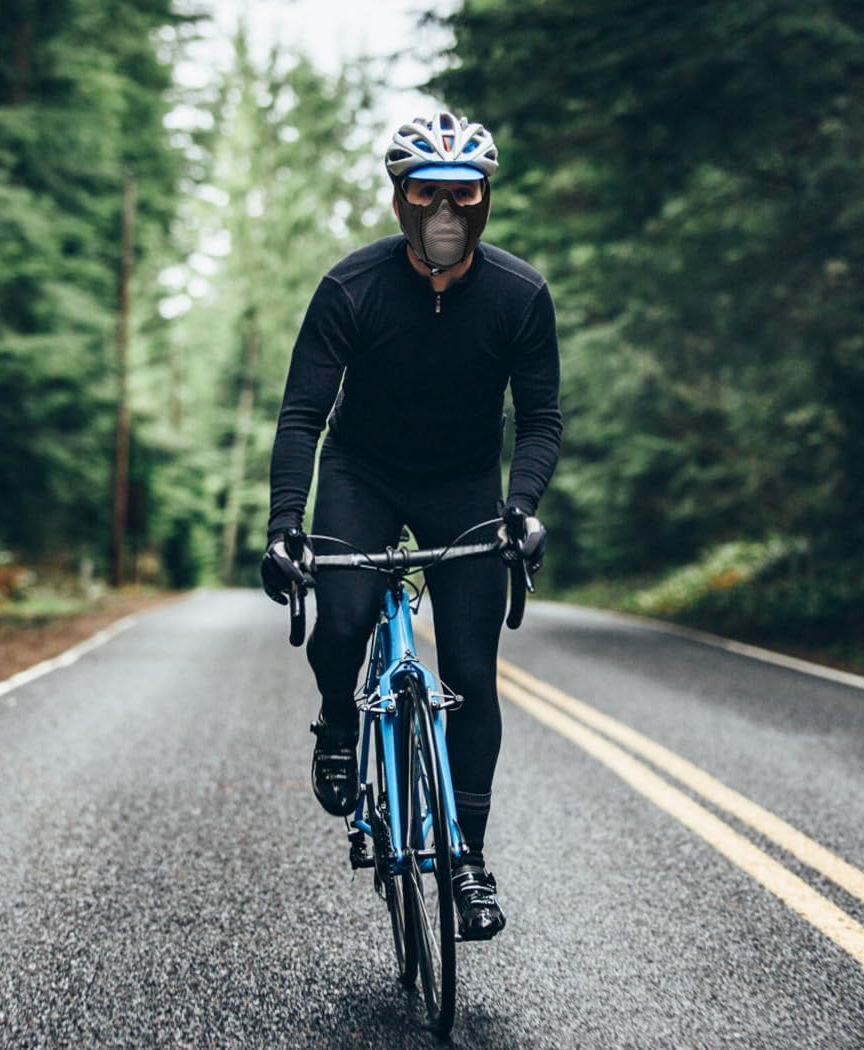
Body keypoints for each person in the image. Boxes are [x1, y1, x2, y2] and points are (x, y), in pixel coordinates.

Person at [261, 110, 562, 940]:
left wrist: (522, 507)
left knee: (469, 671)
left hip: (463, 484)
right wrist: (286, 525)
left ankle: (468, 860)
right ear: (400, 200)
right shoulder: (351, 288)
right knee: (343, 621)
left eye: (464, 195)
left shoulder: (519, 295)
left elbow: (540, 419)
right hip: (362, 474)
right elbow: (302, 416)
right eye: (428, 194)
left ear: (485, 201)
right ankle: (338, 719)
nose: (446, 213)